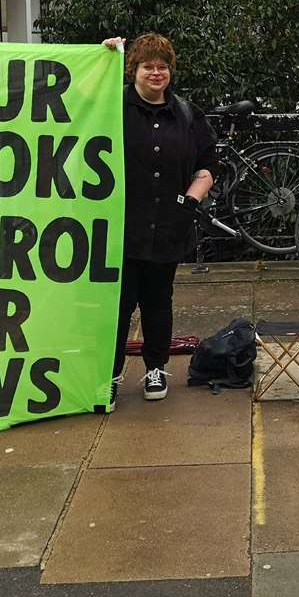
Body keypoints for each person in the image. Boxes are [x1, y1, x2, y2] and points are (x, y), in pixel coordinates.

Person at [102, 33, 218, 401]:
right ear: (132, 69)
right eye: (148, 66)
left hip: (168, 222)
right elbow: (72, 105)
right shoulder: (110, 105)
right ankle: (108, 373)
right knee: (117, 306)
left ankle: (155, 368)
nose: (156, 72)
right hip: (121, 224)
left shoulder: (186, 114)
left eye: (162, 66)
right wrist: (100, 57)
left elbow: (208, 164)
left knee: (158, 301)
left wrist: (190, 200)